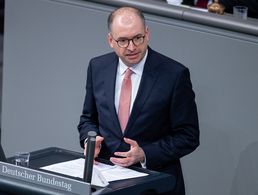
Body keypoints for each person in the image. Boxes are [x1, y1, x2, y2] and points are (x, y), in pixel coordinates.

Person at [78, 6, 199, 195]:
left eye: (137, 38)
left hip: (154, 185)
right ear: (111, 40)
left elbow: (188, 135)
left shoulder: (174, 75)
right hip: (106, 184)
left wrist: (145, 153)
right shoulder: (97, 67)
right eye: (123, 41)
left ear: (147, 34)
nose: (132, 47)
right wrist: (90, 140)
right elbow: (88, 119)